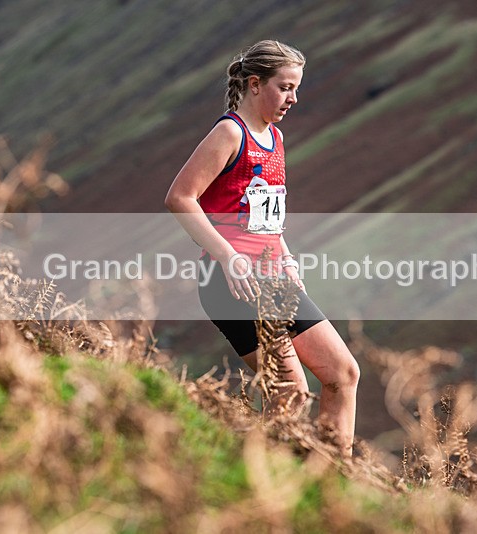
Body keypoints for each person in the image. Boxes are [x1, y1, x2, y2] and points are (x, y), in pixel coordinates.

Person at [164, 40, 359, 455]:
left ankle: (337, 478)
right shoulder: (229, 132)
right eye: (285, 87)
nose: (293, 98)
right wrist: (228, 257)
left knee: (342, 373)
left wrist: (286, 257)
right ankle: (259, 480)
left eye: (296, 89)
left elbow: (265, 214)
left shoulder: (275, 137)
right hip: (231, 283)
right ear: (255, 84)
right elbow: (180, 197)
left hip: (273, 275)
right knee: (290, 393)